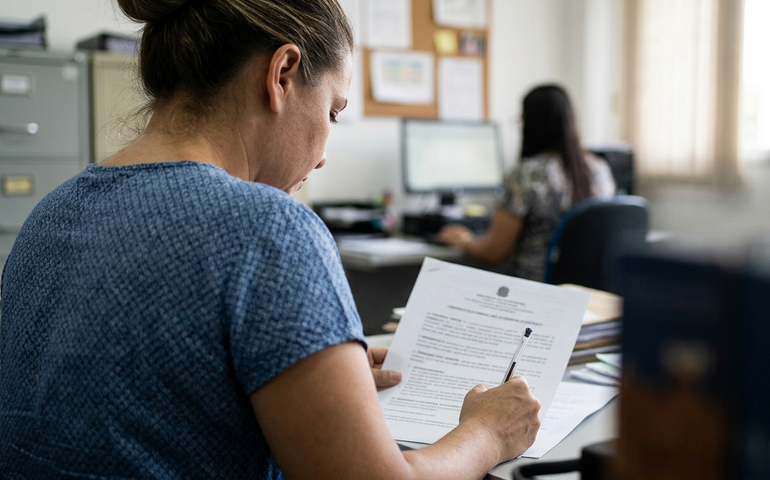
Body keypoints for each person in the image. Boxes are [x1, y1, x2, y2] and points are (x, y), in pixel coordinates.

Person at [0, 0, 541, 478]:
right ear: (281, 74)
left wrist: (316, 378)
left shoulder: (52, 212)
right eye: (332, 111)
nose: (326, 151)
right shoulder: (270, 228)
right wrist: (487, 434)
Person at [437, 85, 616, 282]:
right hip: (585, 296)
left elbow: (494, 252)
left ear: (531, 124)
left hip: (534, 294)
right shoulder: (599, 169)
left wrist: (463, 239)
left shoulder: (525, 174)